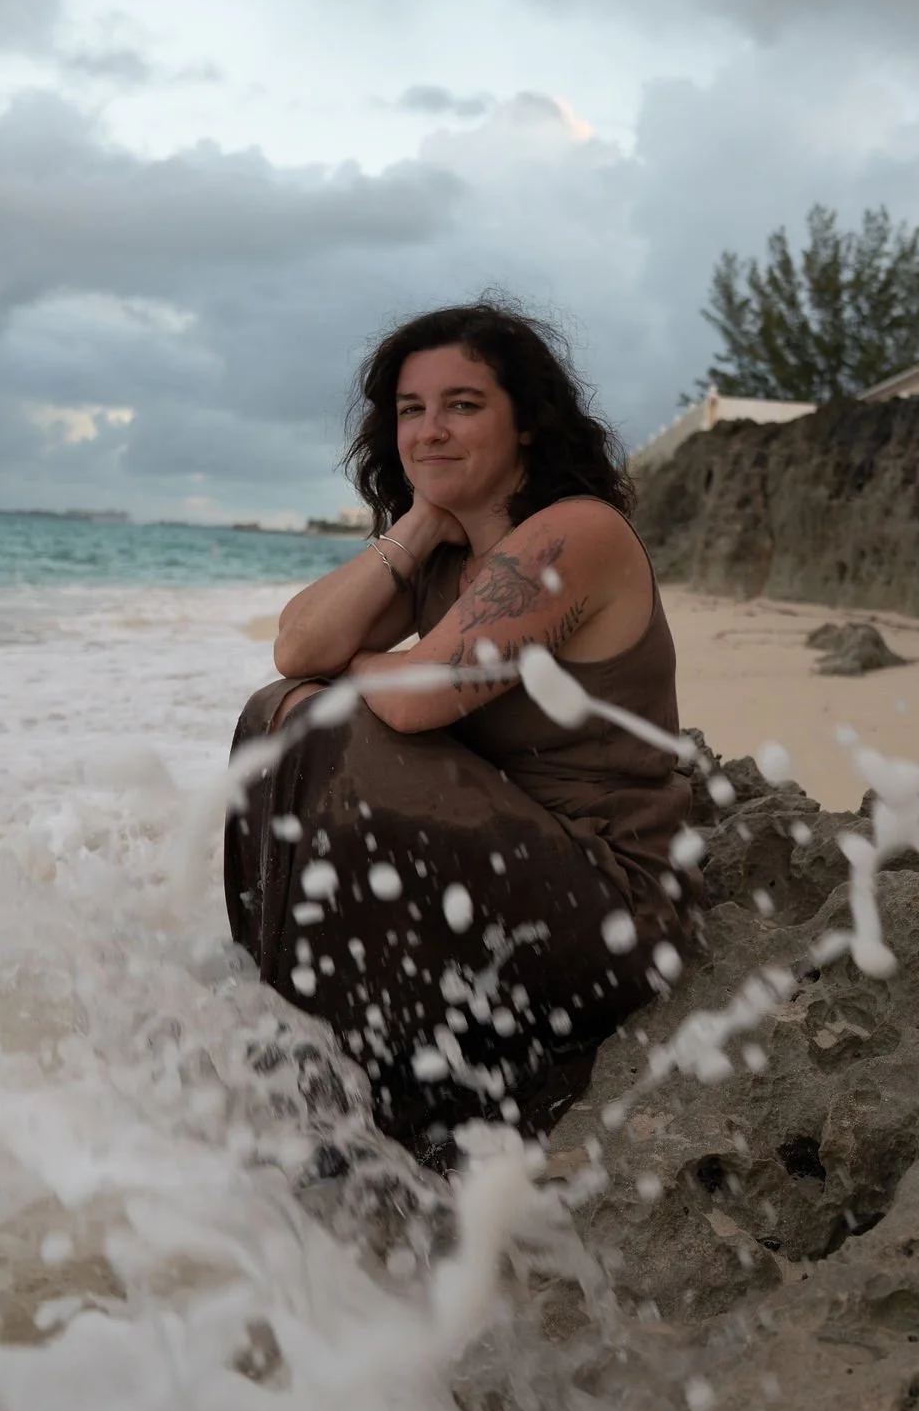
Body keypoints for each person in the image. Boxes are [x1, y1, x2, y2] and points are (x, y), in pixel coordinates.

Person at [224, 299, 701, 1170]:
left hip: (608, 908)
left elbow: (416, 699)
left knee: (322, 725)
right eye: (412, 410)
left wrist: (355, 671)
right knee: (278, 710)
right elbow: (297, 647)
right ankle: (301, 1037)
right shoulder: (449, 554)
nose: (430, 430)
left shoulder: (573, 534)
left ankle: (337, 1098)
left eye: (464, 405)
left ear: (527, 423)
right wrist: (417, 524)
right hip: (505, 875)